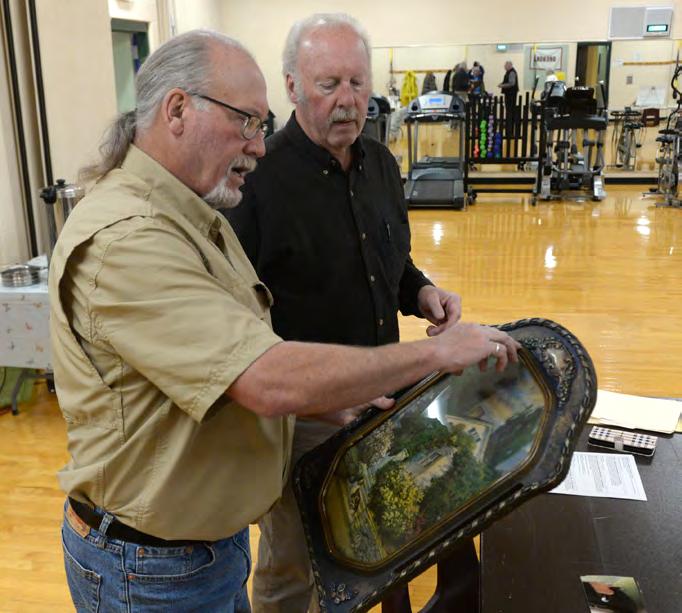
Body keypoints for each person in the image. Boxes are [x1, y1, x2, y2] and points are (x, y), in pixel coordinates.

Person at [49, 28, 519, 613]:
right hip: (151, 569)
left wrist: (320, 397)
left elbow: (212, 355)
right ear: (177, 110)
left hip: (199, 549)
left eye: (357, 82)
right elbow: (262, 375)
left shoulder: (193, 211)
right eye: (245, 122)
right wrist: (436, 353)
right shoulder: (131, 240)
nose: (258, 144)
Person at [225, 13, 470, 613]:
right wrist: (305, 400)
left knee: (383, 535)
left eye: (358, 83)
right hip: (306, 419)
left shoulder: (381, 164)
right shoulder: (255, 182)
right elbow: (233, 318)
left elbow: (389, 261)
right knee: (295, 564)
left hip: (387, 399)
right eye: (329, 83)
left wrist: (421, 292)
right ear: (291, 86)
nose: (347, 100)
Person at [499, 60, 519, 132]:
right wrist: (502, 84)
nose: (504, 67)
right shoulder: (508, 72)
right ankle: (508, 126)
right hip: (509, 94)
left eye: (505, 65)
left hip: (511, 94)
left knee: (510, 110)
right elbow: (507, 81)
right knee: (508, 110)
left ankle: (509, 128)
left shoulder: (512, 72)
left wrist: (502, 86)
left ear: (509, 65)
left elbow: (511, 83)